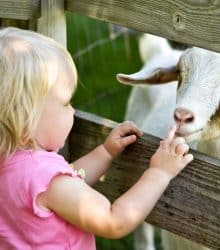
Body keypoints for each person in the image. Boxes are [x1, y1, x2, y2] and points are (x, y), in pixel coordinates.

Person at [0, 27, 193, 250]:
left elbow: (70, 180)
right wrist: (159, 172)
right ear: (26, 115)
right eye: (65, 103)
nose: (72, 111)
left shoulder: (14, 164)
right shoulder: (45, 178)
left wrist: (105, 152)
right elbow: (114, 221)